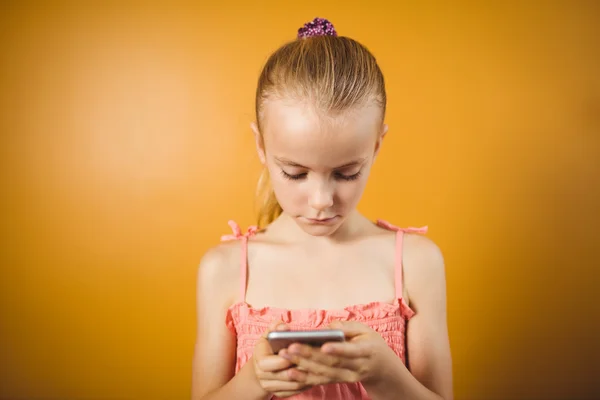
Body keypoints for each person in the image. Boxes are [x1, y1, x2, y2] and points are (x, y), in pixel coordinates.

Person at [192, 17, 453, 400]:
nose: (321, 200)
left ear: (376, 147)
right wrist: (255, 382)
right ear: (261, 147)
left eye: (346, 173)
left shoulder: (414, 262)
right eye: (295, 174)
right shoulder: (225, 269)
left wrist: (384, 374)